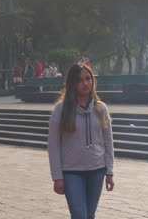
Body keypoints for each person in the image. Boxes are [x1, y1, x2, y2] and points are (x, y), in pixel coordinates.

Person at [48, 63, 114, 219]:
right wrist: (57, 176)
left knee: (89, 216)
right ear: (72, 84)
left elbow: (108, 142)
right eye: (80, 80)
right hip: (72, 173)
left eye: (88, 78)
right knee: (79, 215)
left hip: (97, 171)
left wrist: (109, 172)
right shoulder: (61, 110)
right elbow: (53, 146)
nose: (85, 83)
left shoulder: (101, 109)